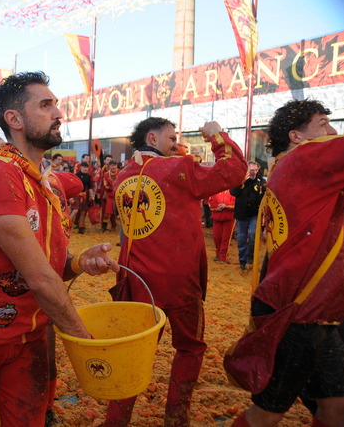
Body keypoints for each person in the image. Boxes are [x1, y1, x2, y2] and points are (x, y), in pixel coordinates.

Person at [0, 71, 119, 427]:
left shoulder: (44, 181)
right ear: (14, 119)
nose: (58, 113)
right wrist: (86, 343)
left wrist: (79, 261)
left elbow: (47, 263)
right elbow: (39, 277)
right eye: (45, 105)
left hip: (29, 335)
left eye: (56, 105)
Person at [106, 117, 246, 427]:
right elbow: (235, 169)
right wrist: (216, 136)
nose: (176, 144)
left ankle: (115, 421)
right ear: (152, 138)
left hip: (137, 280)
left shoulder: (124, 174)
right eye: (171, 138)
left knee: (133, 353)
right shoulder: (175, 168)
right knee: (190, 347)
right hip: (179, 280)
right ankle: (176, 417)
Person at [230, 99, 344, 427]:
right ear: (296, 136)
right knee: (266, 415)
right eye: (323, 124)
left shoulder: (287, 166)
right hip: (298, 312)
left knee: (338, 409)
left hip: (317, 309)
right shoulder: (305, 158)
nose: (333, 132)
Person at [230, 161, 266, 270]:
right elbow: (233, 193)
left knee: (253, 235)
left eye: (255, 170)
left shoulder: (261, 182)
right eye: (251, 170)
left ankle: (250, 256)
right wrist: (241, 183)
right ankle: (242, 261)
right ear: (247, 170)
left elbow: (265, 197)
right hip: (241, 215)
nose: (254, 172)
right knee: (241, 239)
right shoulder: (240, 180)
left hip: (254, 215)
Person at [208, 189, 236, 263]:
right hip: (217, 217)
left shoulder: (233, 190)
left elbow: (236, 203)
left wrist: (226, 205)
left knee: (225, 238)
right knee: (216, 237)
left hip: (229, 218)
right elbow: (210, 203)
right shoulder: (215, 190)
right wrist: (217, 207)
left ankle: (223, 256)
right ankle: (218, 254)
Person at [70, 161, 93, 234]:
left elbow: (90, 187)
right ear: (81, 167)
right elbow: (72, 186)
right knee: (75, 210)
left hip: (84, 195)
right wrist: (70, 197)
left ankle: (81, 227)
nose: (86, 169)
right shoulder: (76, 175)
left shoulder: (88, 176)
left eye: (87, 167)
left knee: (83, 211)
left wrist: (92, 196)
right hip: (76, 194)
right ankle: (67, 224)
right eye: (84, 167)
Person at [101, 160, 119, 232]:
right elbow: (106, 185)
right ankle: (104, 227)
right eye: (112, 165)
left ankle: (118, 227)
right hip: (111, 196)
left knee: (121, 213)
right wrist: (114, 188)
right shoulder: (106, 175)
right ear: (109, 166)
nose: (114, 167)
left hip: (119, 196)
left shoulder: (121, 172)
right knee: (108, 212)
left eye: (115, 165)